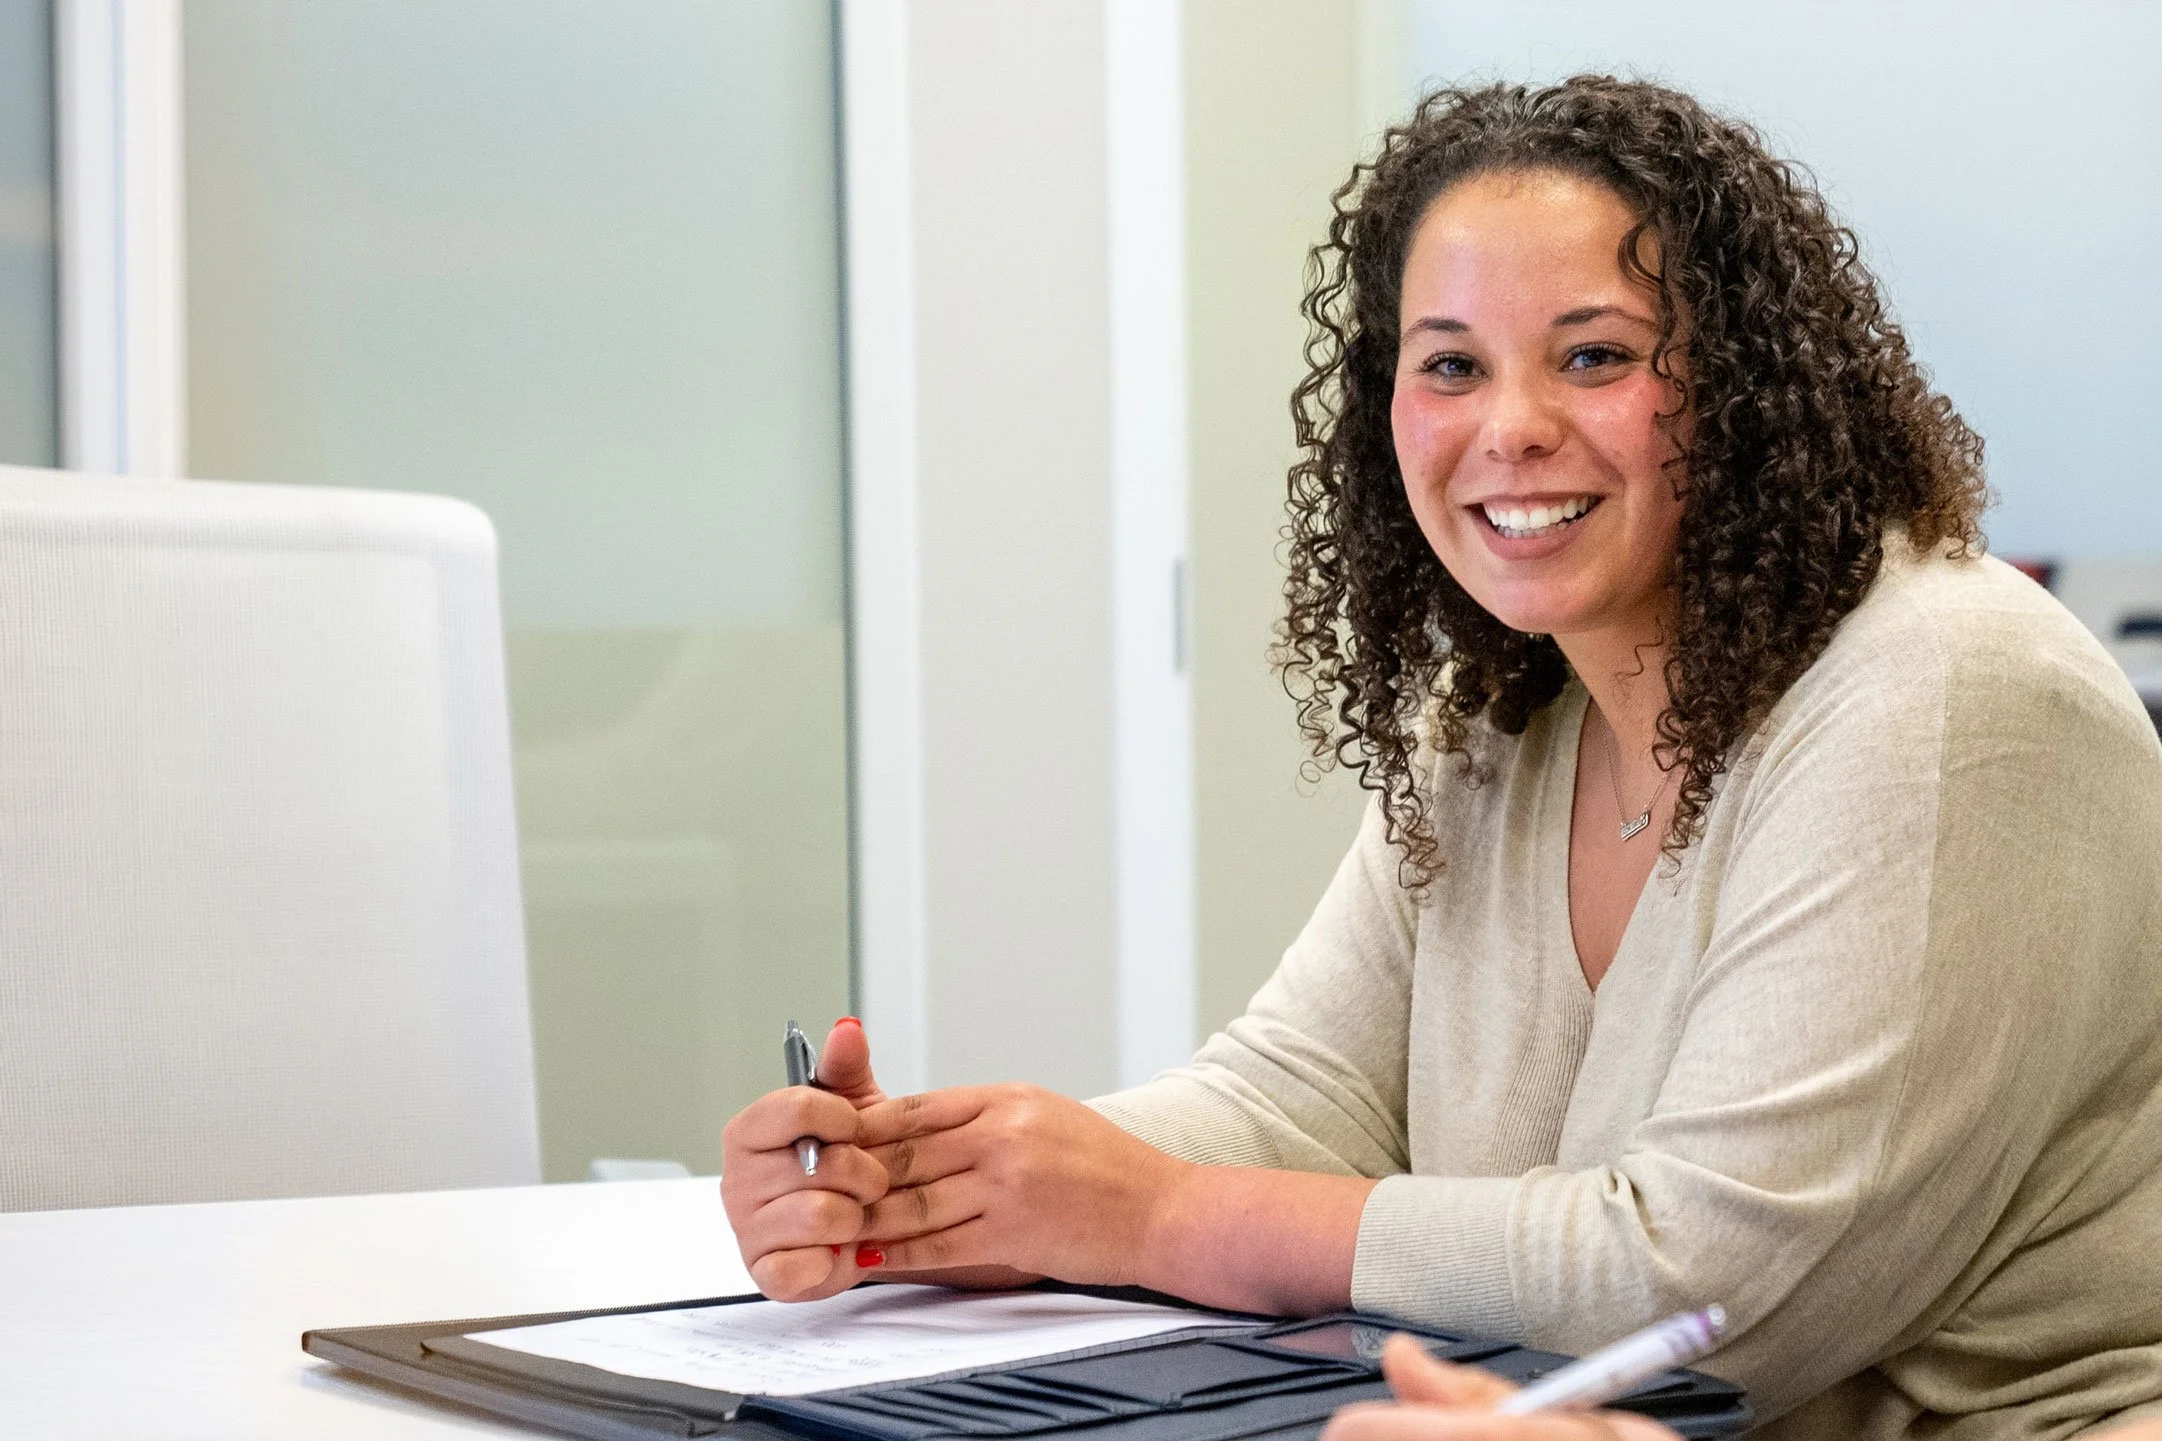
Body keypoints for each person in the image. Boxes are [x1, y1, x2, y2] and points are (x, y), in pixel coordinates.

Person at [721, 77, 2162, 1437]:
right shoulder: (1504, 707)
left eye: (1592, 357)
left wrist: (1150, 1215)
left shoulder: (1950, 695)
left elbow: (1704, 1293)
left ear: (1749, 386)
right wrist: (948, 1188)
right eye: (1449, 367)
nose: (1510, 431)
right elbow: (1306, 1099)